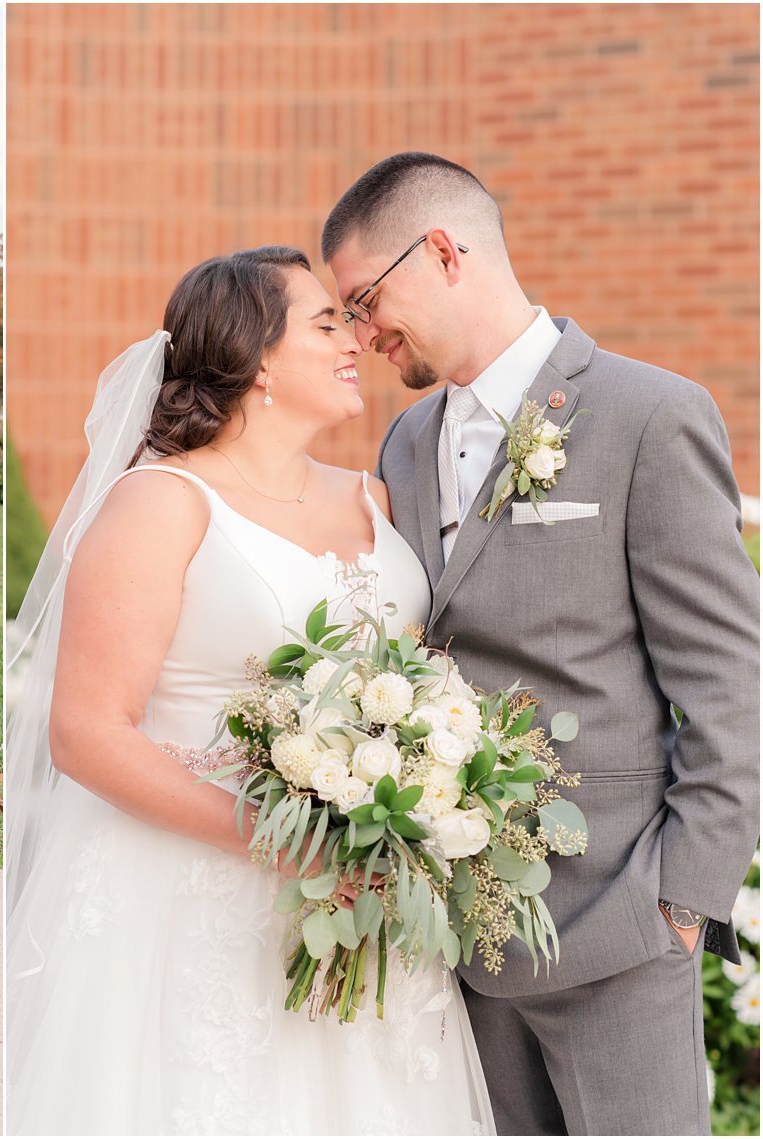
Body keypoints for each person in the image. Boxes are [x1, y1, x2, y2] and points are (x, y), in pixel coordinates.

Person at [5, 247, 494, 1135]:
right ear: (257, 356)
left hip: (368, 905)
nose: (354, 338)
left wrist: (417, 792)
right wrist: (294, 847)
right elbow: (84, 733)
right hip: (199, 899)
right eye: (326, 323)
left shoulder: (375, 497)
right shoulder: (160, 502)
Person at [323, 151, 760, 1136]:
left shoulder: (650, 415)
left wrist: (677, 907)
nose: (363, 332)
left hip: (617, 929)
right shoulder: (403, 440)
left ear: (440, 250)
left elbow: (733, 687)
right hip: (457, 940)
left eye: (365, 299)